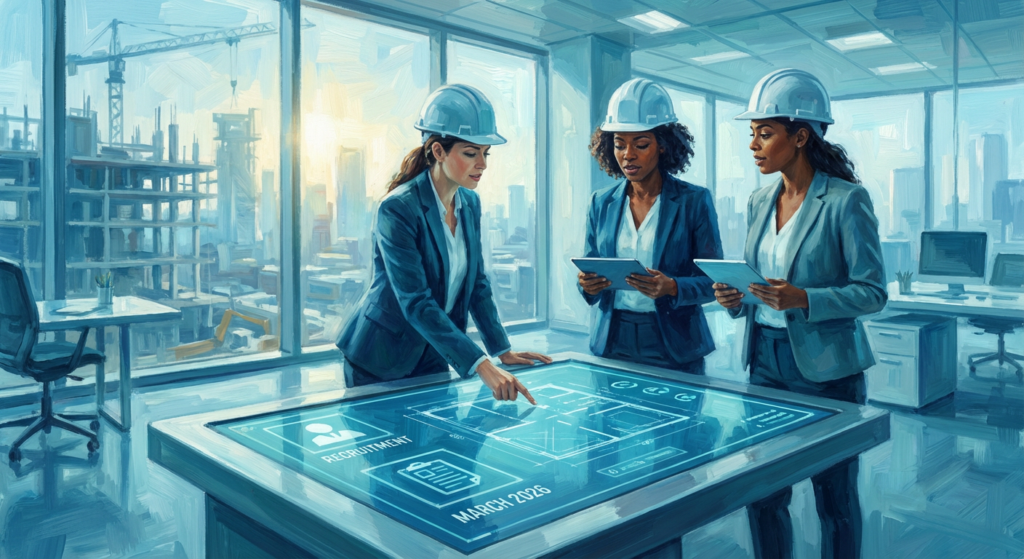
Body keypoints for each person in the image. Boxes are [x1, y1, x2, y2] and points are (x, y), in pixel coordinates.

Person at [713, 69, 886, 559]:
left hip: (827, 369)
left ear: (801, 136)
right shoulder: (758, 199)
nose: (753, 145)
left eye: (764, 133)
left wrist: (805, 299)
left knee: (834, 499)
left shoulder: (847, 200)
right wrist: (736, 298)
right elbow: (760, 283)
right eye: (752, 134)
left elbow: (872, 292)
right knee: (764, 492)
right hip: (765, 361)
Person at [337, 84, 551, 404]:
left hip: (434, 351)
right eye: (470, 153)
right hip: (380, 356)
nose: (483, 164)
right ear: (438, 151)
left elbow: (476, 283)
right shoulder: (397, 208)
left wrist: (501, 350)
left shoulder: (470, 204)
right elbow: (416, 302)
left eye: (485, 153)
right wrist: (481, 364)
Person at [578, 78, 723, 376]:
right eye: (619, 145)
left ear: (663, 147)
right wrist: (587, 286)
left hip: (675, 344)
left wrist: (672, 287)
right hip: (612, 340)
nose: (627, 155)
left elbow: (714, 282)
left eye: (641, 145)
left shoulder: (694, 201)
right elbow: (590, 271)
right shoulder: (600, 203)